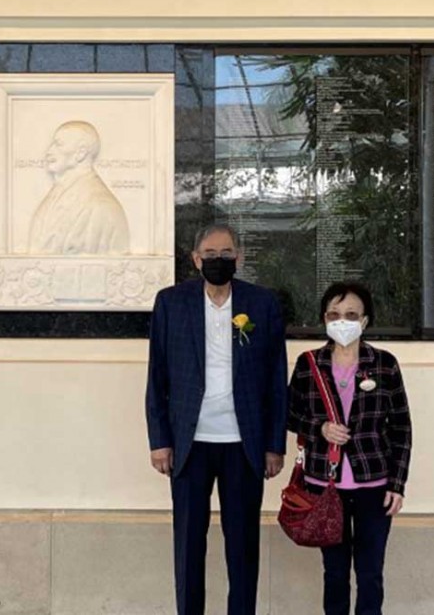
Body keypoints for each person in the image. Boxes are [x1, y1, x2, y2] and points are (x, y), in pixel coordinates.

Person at [145, 224, 288, 615]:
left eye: (226, 253)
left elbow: (277, 379)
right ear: (196, 259)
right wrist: (160, 439)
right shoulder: (171, 303)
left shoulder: (262, 304)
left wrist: (275, 445)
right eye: (210, 253)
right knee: (189, 545)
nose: (218, 260)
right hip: (190, 443)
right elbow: (157, 376)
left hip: (244, 443)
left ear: (239, 258)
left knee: (242, 546)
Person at [286, 282, 412, 615]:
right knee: (335, 573)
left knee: (370, 574)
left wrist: (397, 485)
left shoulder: (384, 364)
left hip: (374, 485)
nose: (343, 321)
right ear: (324, 319)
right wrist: (320, 428)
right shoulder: (308, 363)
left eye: (351, 315)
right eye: (335, 314)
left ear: (365, 321)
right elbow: (289, 414)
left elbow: (400, 427)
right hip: (325, 487)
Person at [27, 120, 130, 255]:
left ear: (81, 153)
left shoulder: (101, 206)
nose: (49, 151)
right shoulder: (58, 192)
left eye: (58, 144)